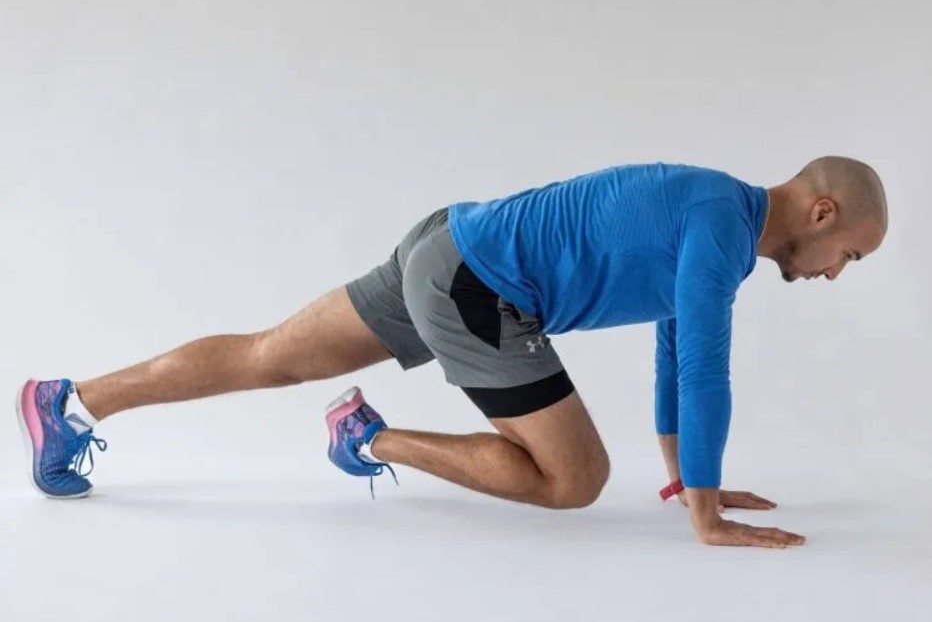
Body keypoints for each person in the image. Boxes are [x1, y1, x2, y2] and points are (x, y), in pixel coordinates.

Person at [16, 156, 887, 548]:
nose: (837, 274)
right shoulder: (721, 232)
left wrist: (681, 480)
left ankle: (70, 401)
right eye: (851, 254)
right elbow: (702, 369)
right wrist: (706, 514)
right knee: (573, 479)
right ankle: (366, 438)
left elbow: (671, 354)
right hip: (479, 285)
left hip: (449, 241)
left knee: (267, 353)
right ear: (820, 214)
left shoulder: (712, 213)